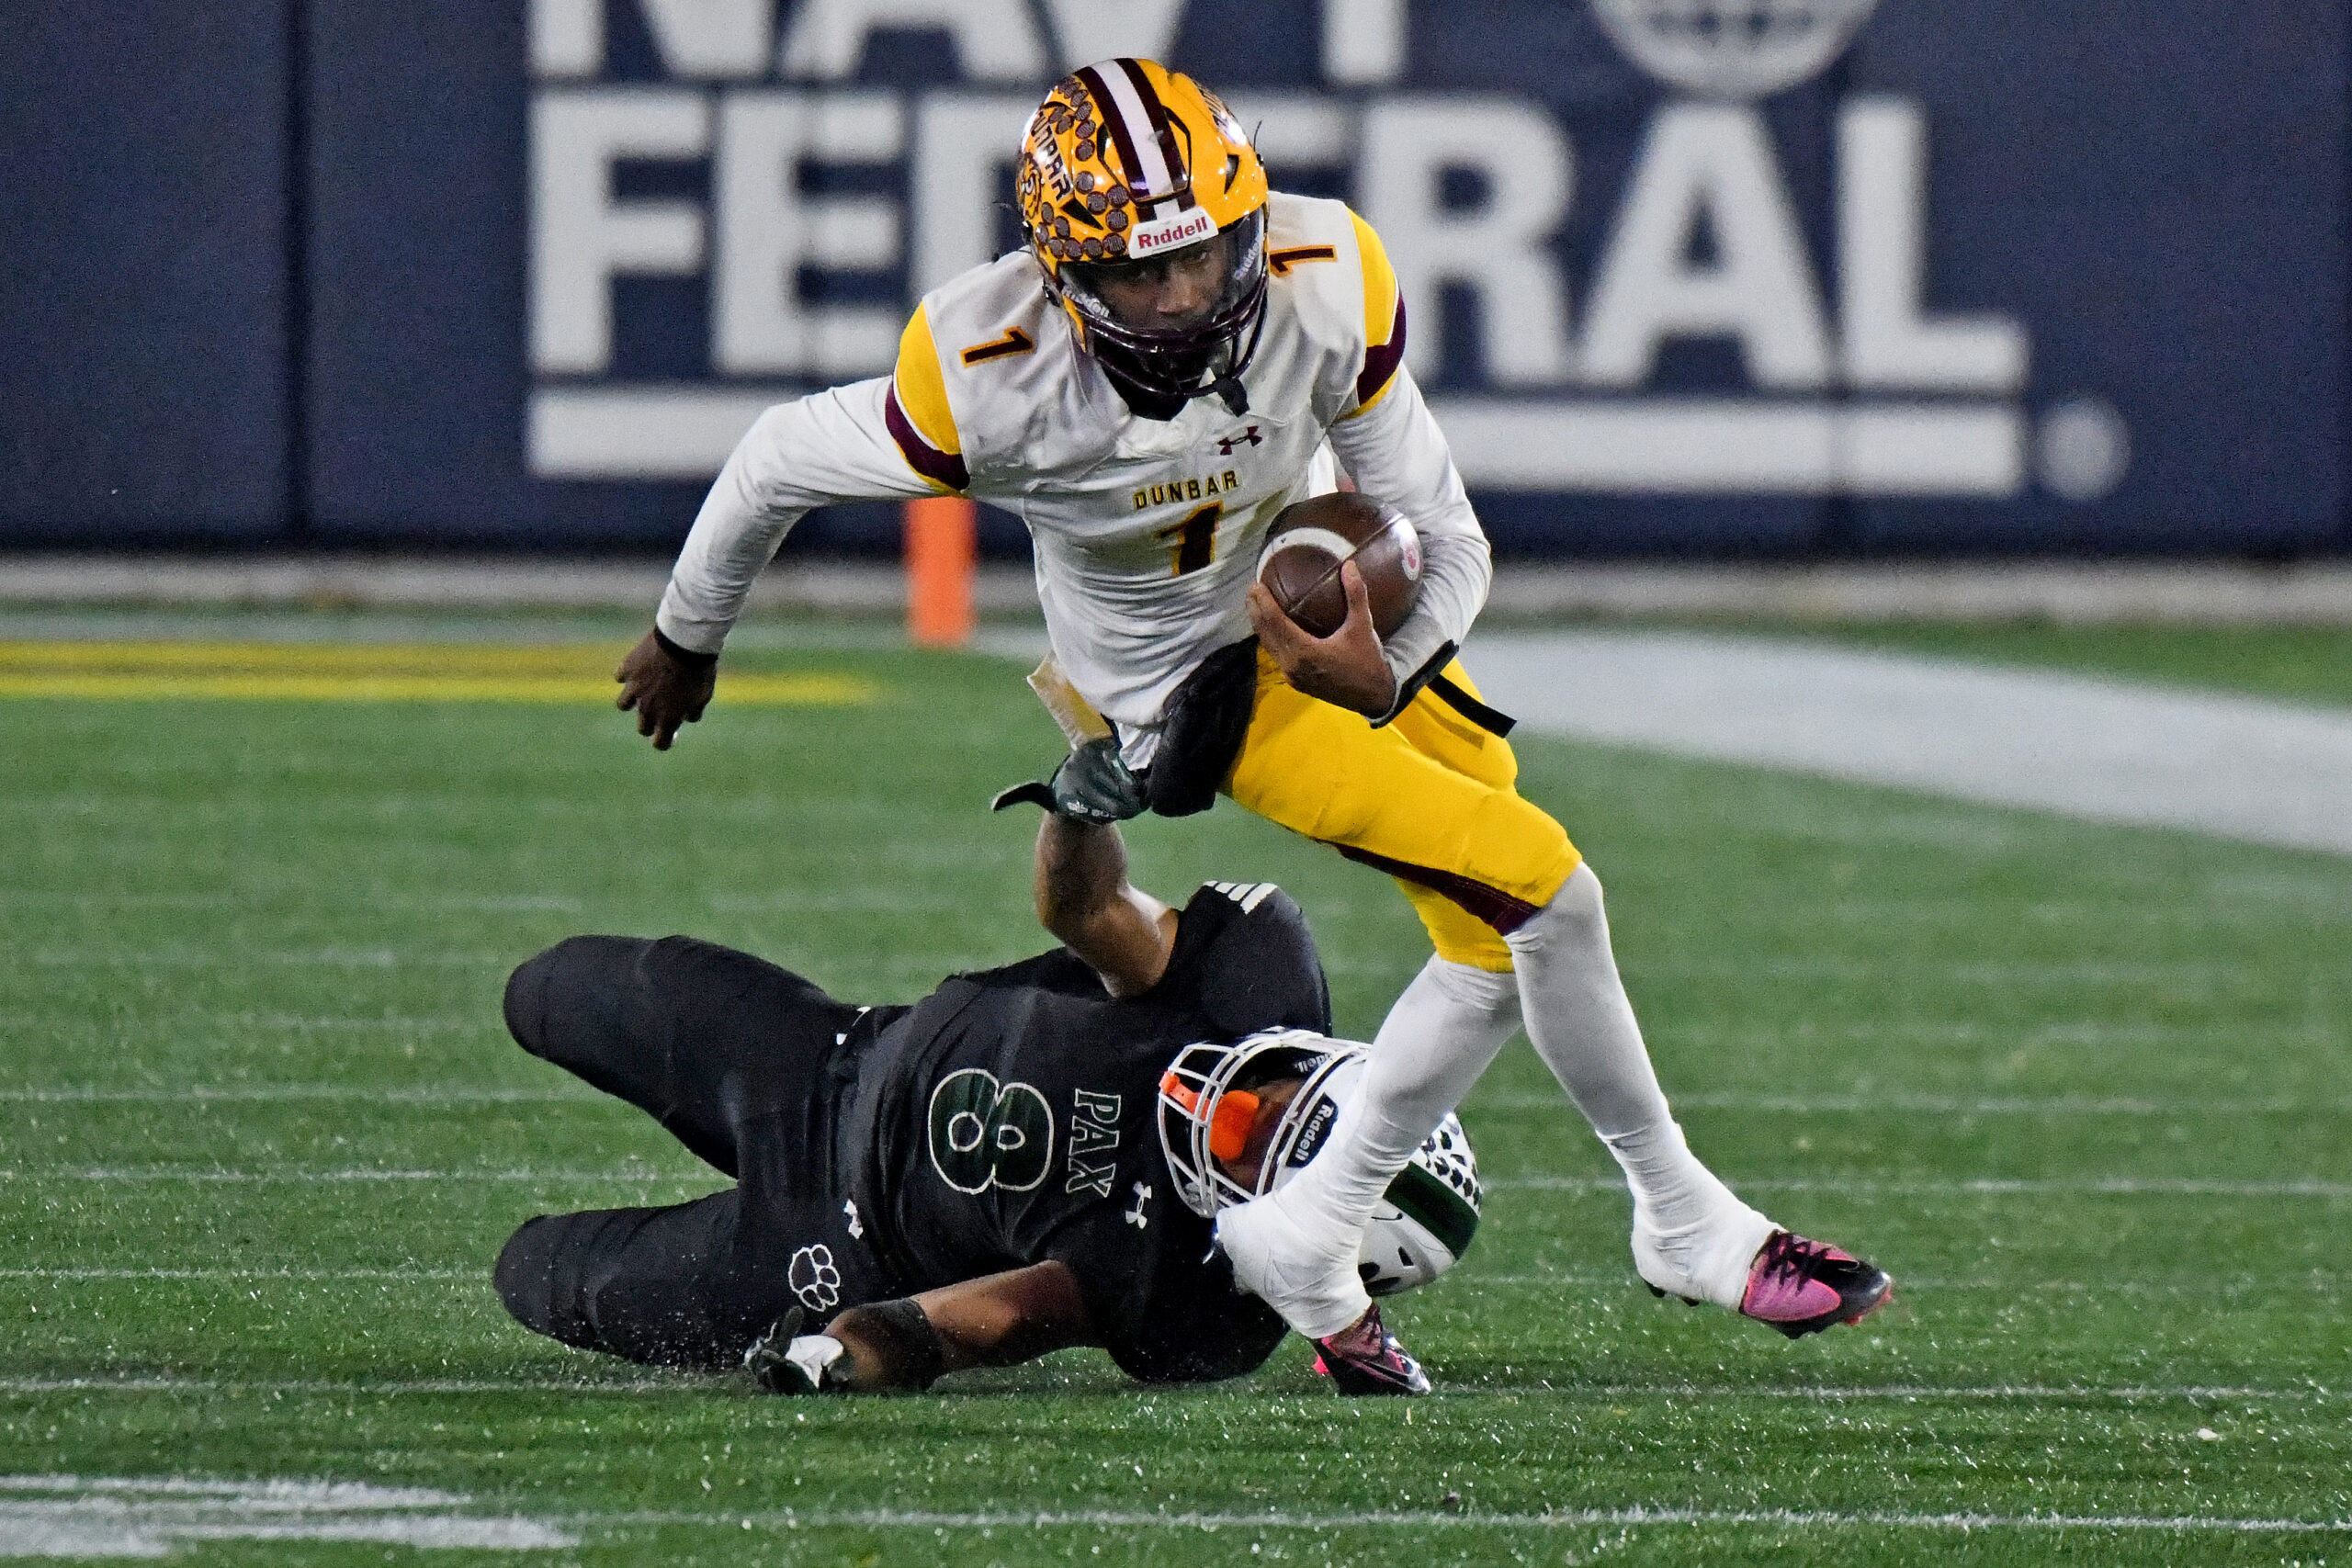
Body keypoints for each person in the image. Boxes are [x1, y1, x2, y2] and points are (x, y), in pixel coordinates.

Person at [609, 58, 1890, 1374]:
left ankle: (1321, 1229)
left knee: (1499, 934)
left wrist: (1388, 665)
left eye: (1207, 257)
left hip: (1337, 646)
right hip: (1183, 695)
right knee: (1546, 894)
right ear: (1062, 272)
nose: (1179, 299)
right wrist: (683, 636)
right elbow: (773, 460)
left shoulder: (1324, 278)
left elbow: (1448, 541)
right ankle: (1676, 1212)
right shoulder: (985, 367)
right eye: (1137, 276)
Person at [493, 810, 1477, 1394]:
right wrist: (1084, 797)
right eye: (1279, 1092)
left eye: (1255, 1145)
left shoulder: (1191, 1299)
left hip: (834, 1247)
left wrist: (847, 1352)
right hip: (832, 1053)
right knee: (541, 989)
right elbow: (1084, 907)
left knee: (533, 1273)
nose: (1233, 1102)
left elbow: (1000, 1320)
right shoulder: (1247, 987)